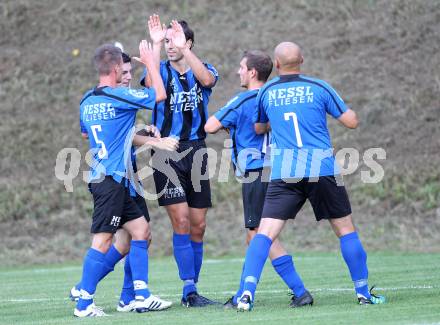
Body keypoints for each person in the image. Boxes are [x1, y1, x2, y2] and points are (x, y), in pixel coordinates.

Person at [236, 42, 386, 311]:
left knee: (264, 234)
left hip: (285, 172)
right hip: (322, 168)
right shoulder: (319, 87)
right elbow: (352, 121)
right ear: (302, 60)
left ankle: (246, 295)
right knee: (345, 231)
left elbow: (259, 127)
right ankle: (363, 293)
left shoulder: (267, 91)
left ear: (277, 65)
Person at [75, 42, 177, 317]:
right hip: (109, 179)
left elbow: (87, 134)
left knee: (141, 230)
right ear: (117, 69)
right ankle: (83, 301)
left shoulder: (87, 100)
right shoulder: (120, 96)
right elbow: (159, 94)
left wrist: (121, 131)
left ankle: (141, 295)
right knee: (102, 241)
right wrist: (150, 63)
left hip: (112, 178)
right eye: (124, 68)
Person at [204, 50, 313, 308]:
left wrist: (229, 125)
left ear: (252, 72)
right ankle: (247, 291)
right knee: (258, 236)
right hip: (280, 171)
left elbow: (209, 125)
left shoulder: (243, 100)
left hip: (257, 173)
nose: (238, 71)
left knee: (259, 235)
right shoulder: (277, 96)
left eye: (241, 67)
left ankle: (293, 291)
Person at [141, 15, 219, 307]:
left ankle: (193, 290)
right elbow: (152, 91)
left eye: (175, 41)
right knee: (182, 221)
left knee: (199, 225)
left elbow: (208, 80)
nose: (170, 46)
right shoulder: (159, 69)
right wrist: (158, 44)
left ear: (188, 43)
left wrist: (183, 49)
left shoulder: (203, 69)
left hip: (196, 150)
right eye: (167, 42)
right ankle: (189, 290)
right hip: (165, 153)